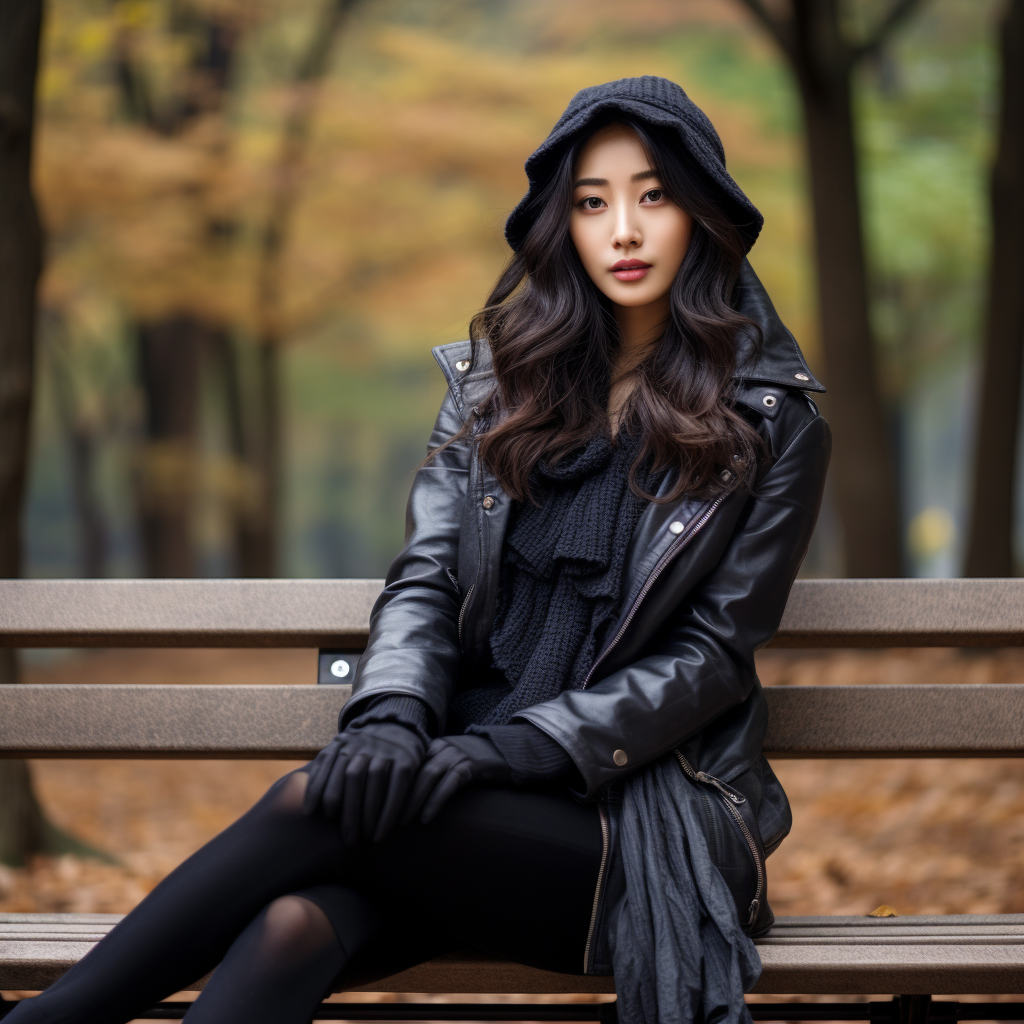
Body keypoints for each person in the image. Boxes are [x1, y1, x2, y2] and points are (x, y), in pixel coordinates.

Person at [7, 76, 829, 1024]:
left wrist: (516, 750)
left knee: (311, 800)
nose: (625, 231)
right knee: (290, 930)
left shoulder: (770, 420)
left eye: (654, 196)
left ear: (705, 210)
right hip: (454, 789)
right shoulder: (497, 388)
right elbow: (430, 576)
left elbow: (711, 658)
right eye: (592, 203)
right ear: (559, 224)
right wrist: (393, 713)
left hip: (639, 829)